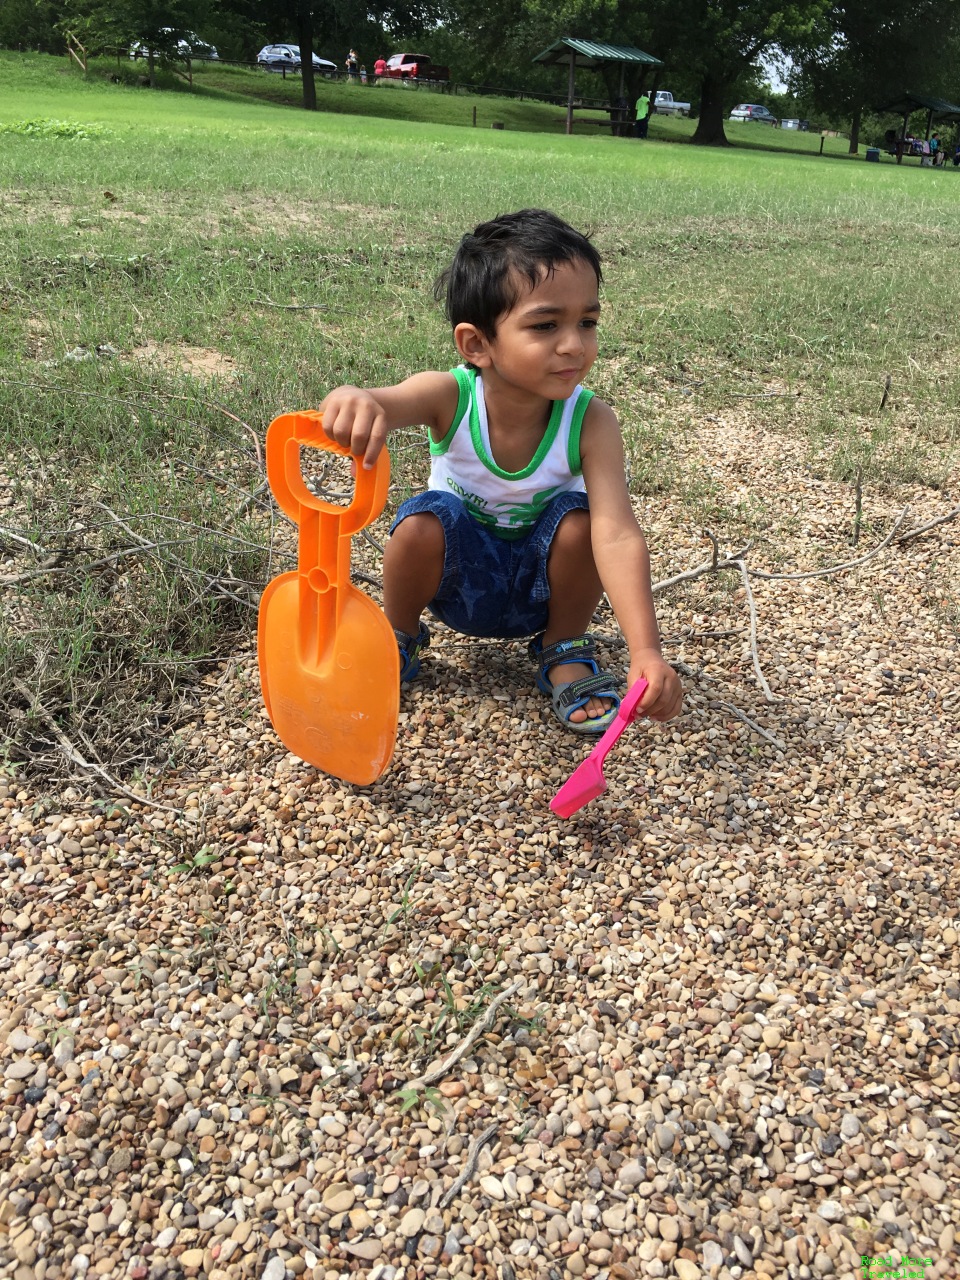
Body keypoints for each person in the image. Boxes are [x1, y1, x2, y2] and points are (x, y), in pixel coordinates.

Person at [319, 209, 683, 734]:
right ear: (476, 344)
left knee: (583, 522)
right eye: (545, 325)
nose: (574, 345)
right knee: (423, 521)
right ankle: (396, 637)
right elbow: (381, 400)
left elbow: (619, 533)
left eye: (587, 321)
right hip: (458, 585)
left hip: (542, 594)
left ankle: (564, 649)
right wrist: (351, 398)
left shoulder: (591, 421)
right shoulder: (449, 397)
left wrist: (645, 649)